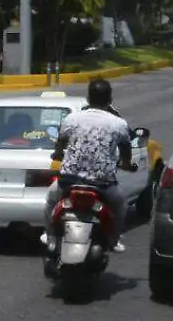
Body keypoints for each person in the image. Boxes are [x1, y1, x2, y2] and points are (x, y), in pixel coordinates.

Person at [47, 77, 137, 253]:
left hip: (69, 180)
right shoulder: (118, 123)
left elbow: (60, 144)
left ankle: (50, 236)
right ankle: (114, 240)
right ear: (110, 100)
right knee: (120, 206)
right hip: (102, 183)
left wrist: (58, 155)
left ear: (88, 99)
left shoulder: (72, 119)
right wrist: (126, 164)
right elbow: (126, 149)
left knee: (50, 200)